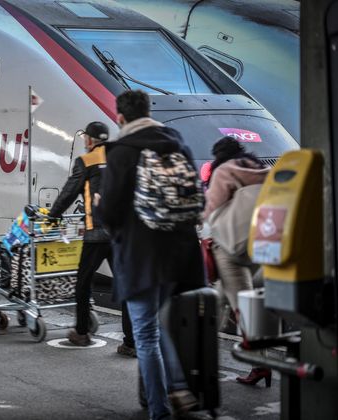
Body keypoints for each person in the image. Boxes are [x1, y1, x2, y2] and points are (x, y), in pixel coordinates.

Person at [99, 90, 205, 419]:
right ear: (149, 111)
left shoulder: (121, 152)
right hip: (179, 255)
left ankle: (159, 409)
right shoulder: (176, 142)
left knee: (145, 334)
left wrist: (98, 207)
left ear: (120, 118)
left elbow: (110, 212)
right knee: (161, 327)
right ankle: (177, 387)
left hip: (140, 256)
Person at [48, 122, 136, 355]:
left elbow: (69, 192)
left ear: (90, 140)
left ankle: (81, 332)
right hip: (121, 234)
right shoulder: (122, 159)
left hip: (96, 233)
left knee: (83, 282)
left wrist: (53, 216)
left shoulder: (86, 161)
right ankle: (131, 342)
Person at [203, 136, 271, 387]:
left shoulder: (224, 170)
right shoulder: (262, 169)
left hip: (230, 249)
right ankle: (202, 349)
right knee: (220, 299)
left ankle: (260, 363)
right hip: (257, 246)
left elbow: (211, 208)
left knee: (243, 306)